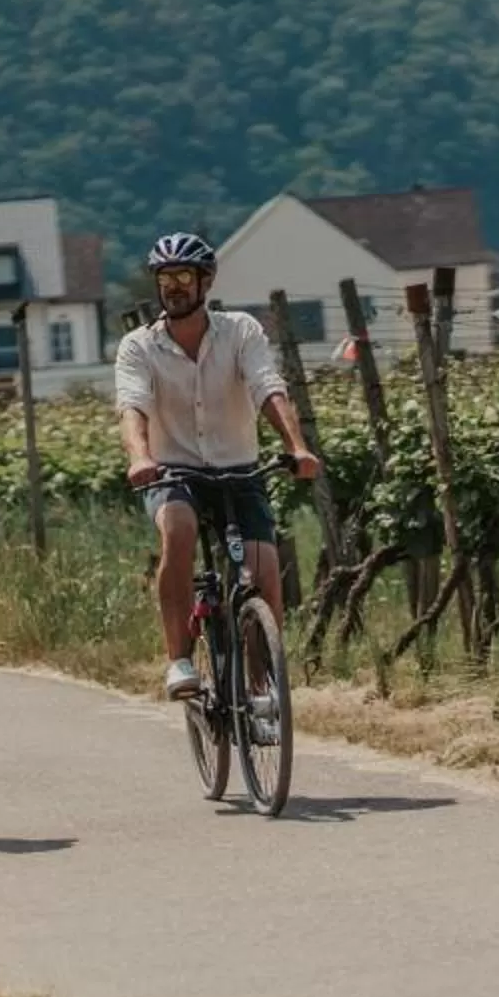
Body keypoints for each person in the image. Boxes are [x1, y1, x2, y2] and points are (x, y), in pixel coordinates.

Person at [114, 232, 322, 702]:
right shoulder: (138, 346)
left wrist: (296, 446)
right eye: (165, 278)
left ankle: (261, 690)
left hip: (238, 470)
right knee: (180, 528)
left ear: (205, 281)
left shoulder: (241, 331)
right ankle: (180, 660)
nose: (174, 287)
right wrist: (140, 458)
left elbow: (267, 386)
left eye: (184, 276)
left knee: (264, 573)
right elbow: (132, 407)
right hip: (173, 473)